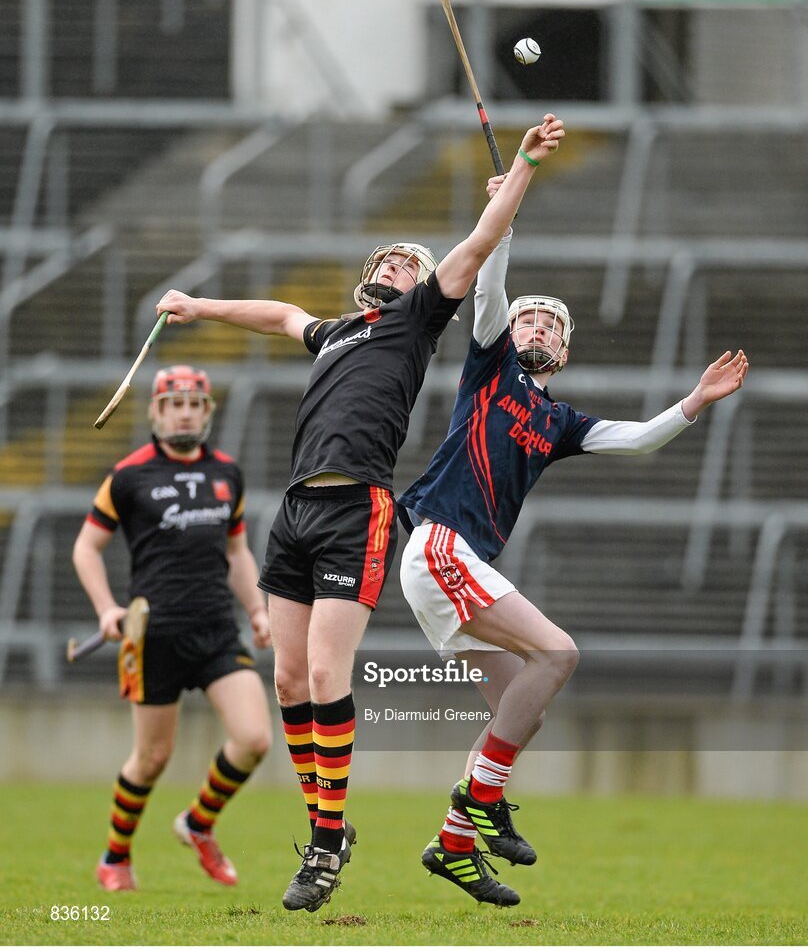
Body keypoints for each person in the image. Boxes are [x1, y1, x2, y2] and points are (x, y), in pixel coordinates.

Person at [153, 114, 566, 913]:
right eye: (392, 258)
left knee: (323, 675)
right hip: (297, 507)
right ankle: (328, 827)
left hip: (360, 510)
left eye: (413, 262)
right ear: (368, 275)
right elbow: (278, 315)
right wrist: (199, 306)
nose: (403, 265)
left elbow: (480, 241)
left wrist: (521, 167)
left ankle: (324, 845)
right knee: (286, 682)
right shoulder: (339, 331)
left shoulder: (416, 323)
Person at [398, 178, 749, 907]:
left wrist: (693, 403)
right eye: (527, 320)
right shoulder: (488, 368)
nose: (534, 329)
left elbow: (641, 440)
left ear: (563, 350)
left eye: (549, 327)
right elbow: (488, 288)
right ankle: (485, 803)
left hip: (456, 565)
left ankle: (455, 844)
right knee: (558, 653)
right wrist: (508, 220)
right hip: (439, 546)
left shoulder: (558, 422)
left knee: (521, 706)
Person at [73, 364, 272, 892]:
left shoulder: (228, 474)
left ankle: (198, 823)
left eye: (193, 404)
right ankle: (115, 857)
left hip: (215, 630)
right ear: (156, 412)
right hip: (151, 636)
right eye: (173, 403)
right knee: (152, 758)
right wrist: (105, 609)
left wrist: (256, 610)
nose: (184, 412)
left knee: (254, 738)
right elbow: (85, 548)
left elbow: (236, 552)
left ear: (207, 412)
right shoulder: (128, 475)